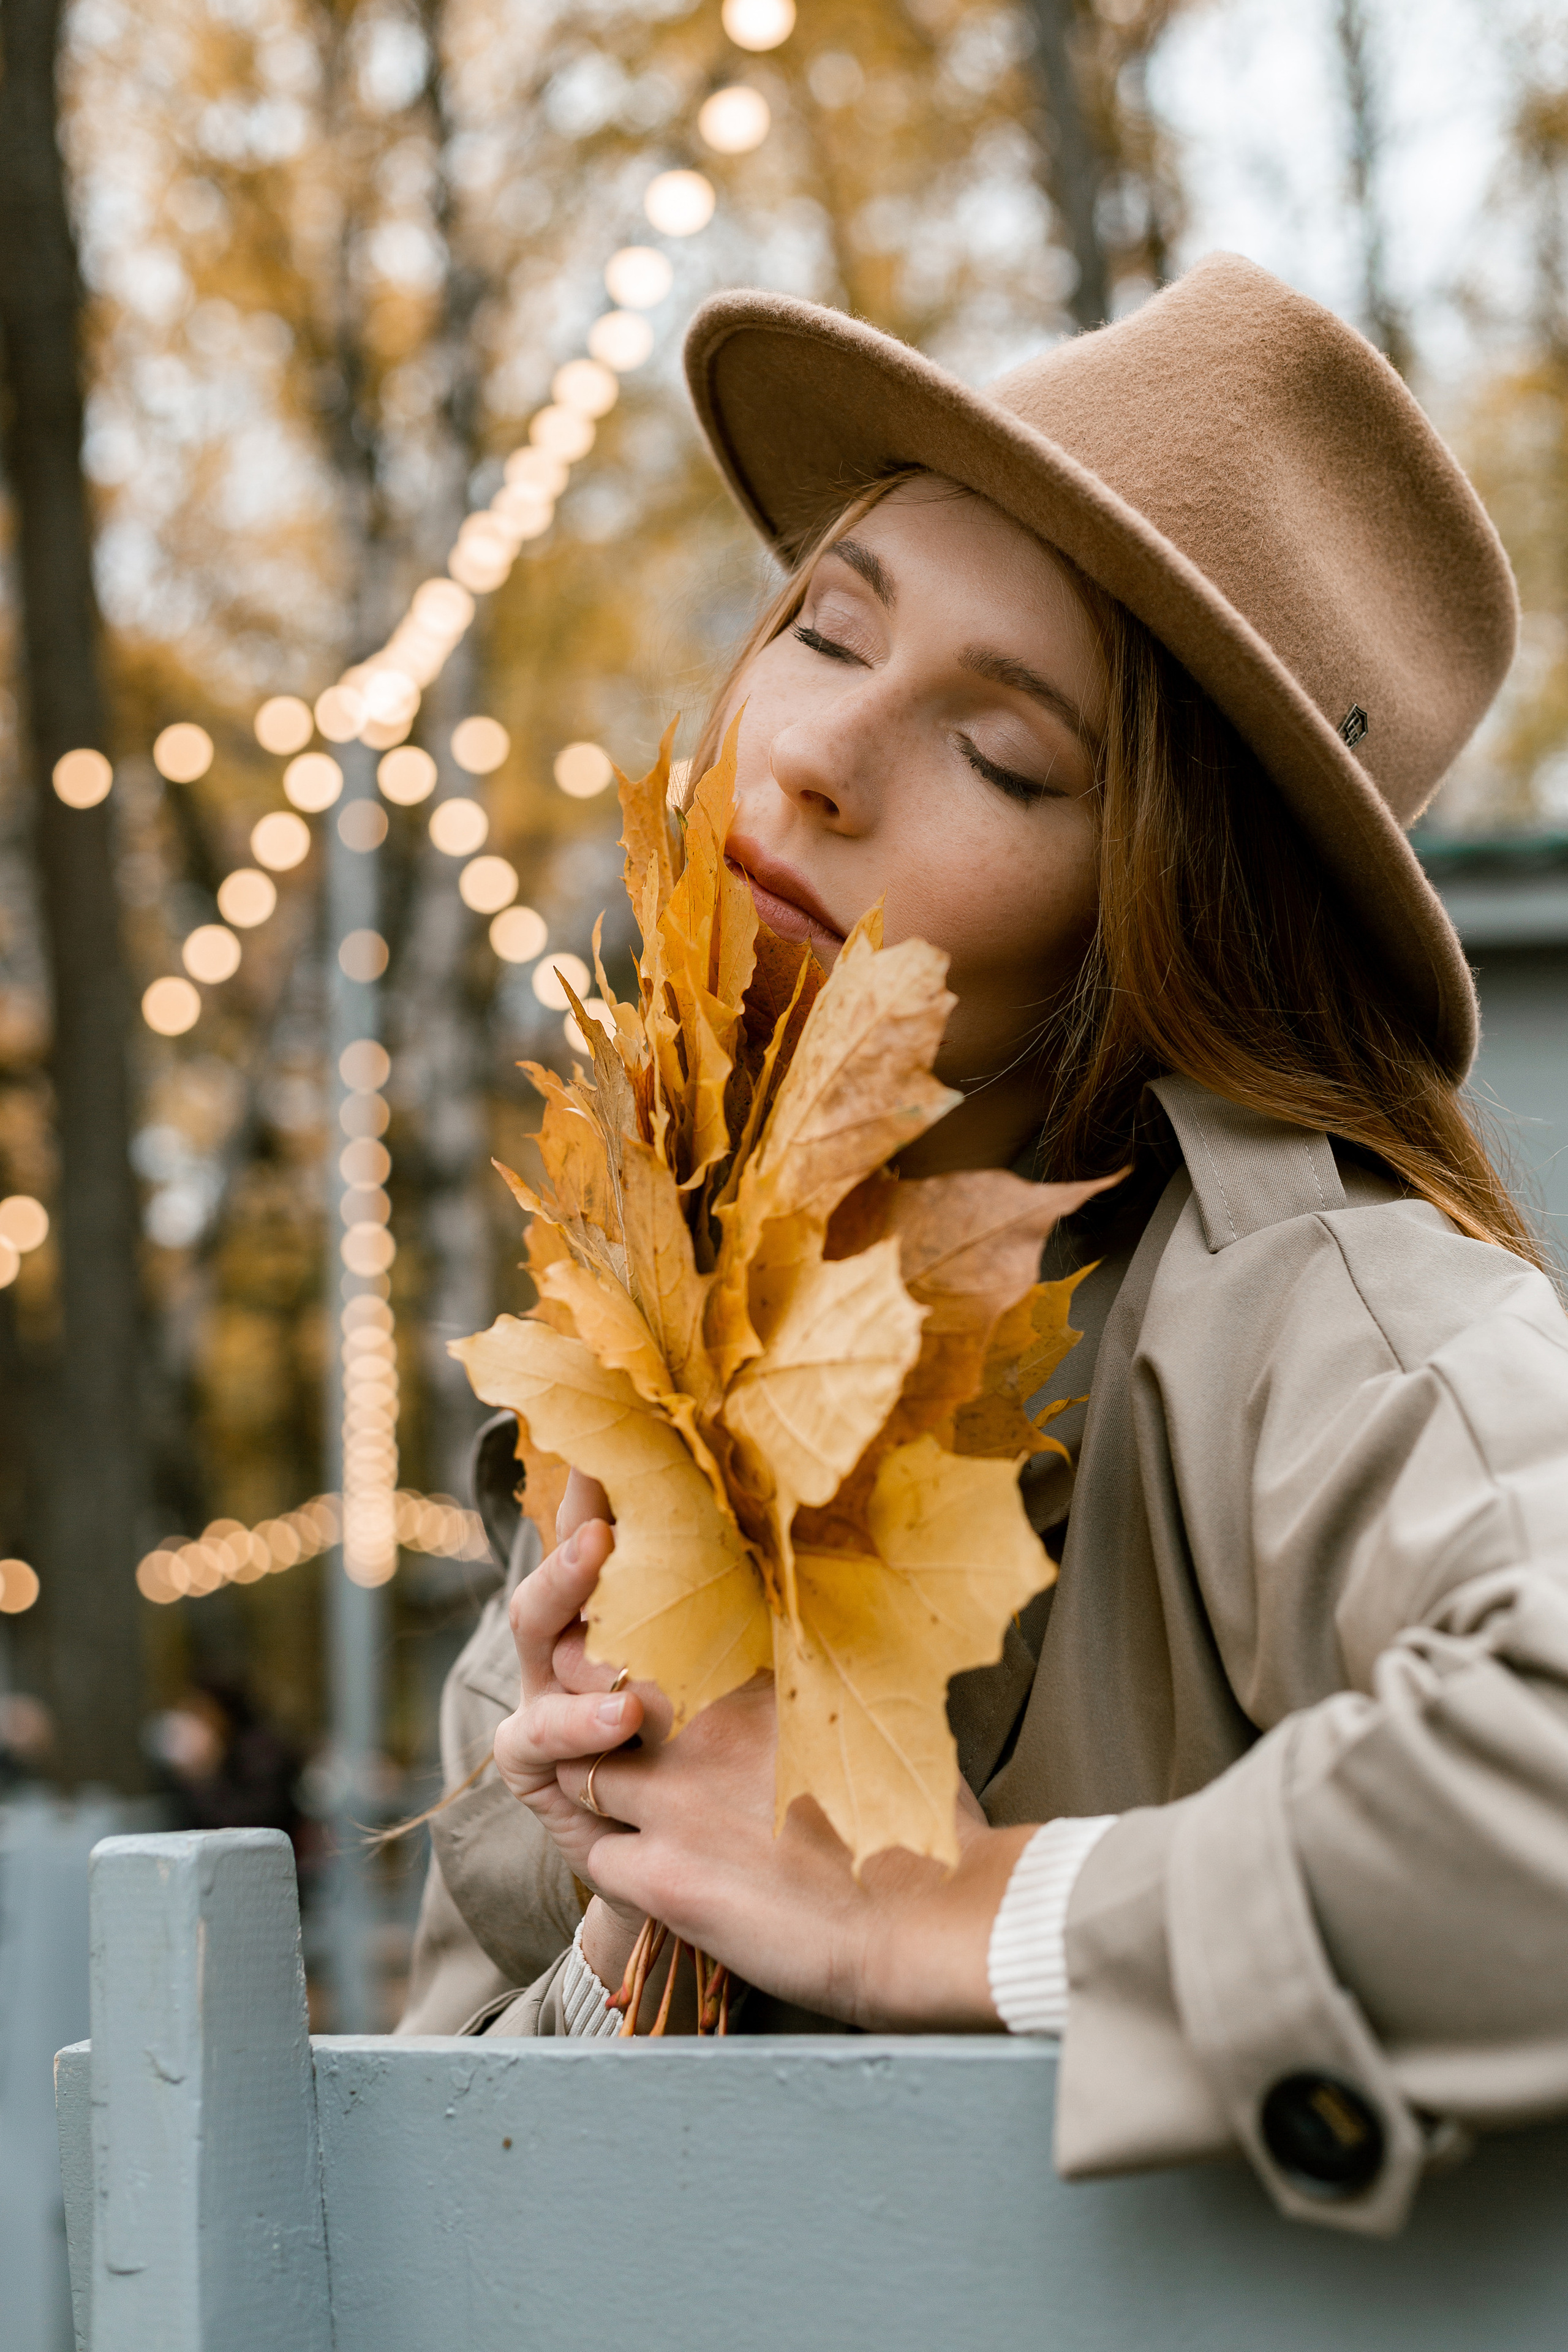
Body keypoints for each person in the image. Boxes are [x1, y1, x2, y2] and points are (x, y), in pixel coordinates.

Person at [397, 254, 1568, 2237]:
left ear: (1173, 911)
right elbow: (440, 2211)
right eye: (829, 632)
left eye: (1007, 755)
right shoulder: (655, 1362)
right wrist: (631, 1899)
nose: (818, 759)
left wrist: (950, 1907)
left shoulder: (1321, 1310)